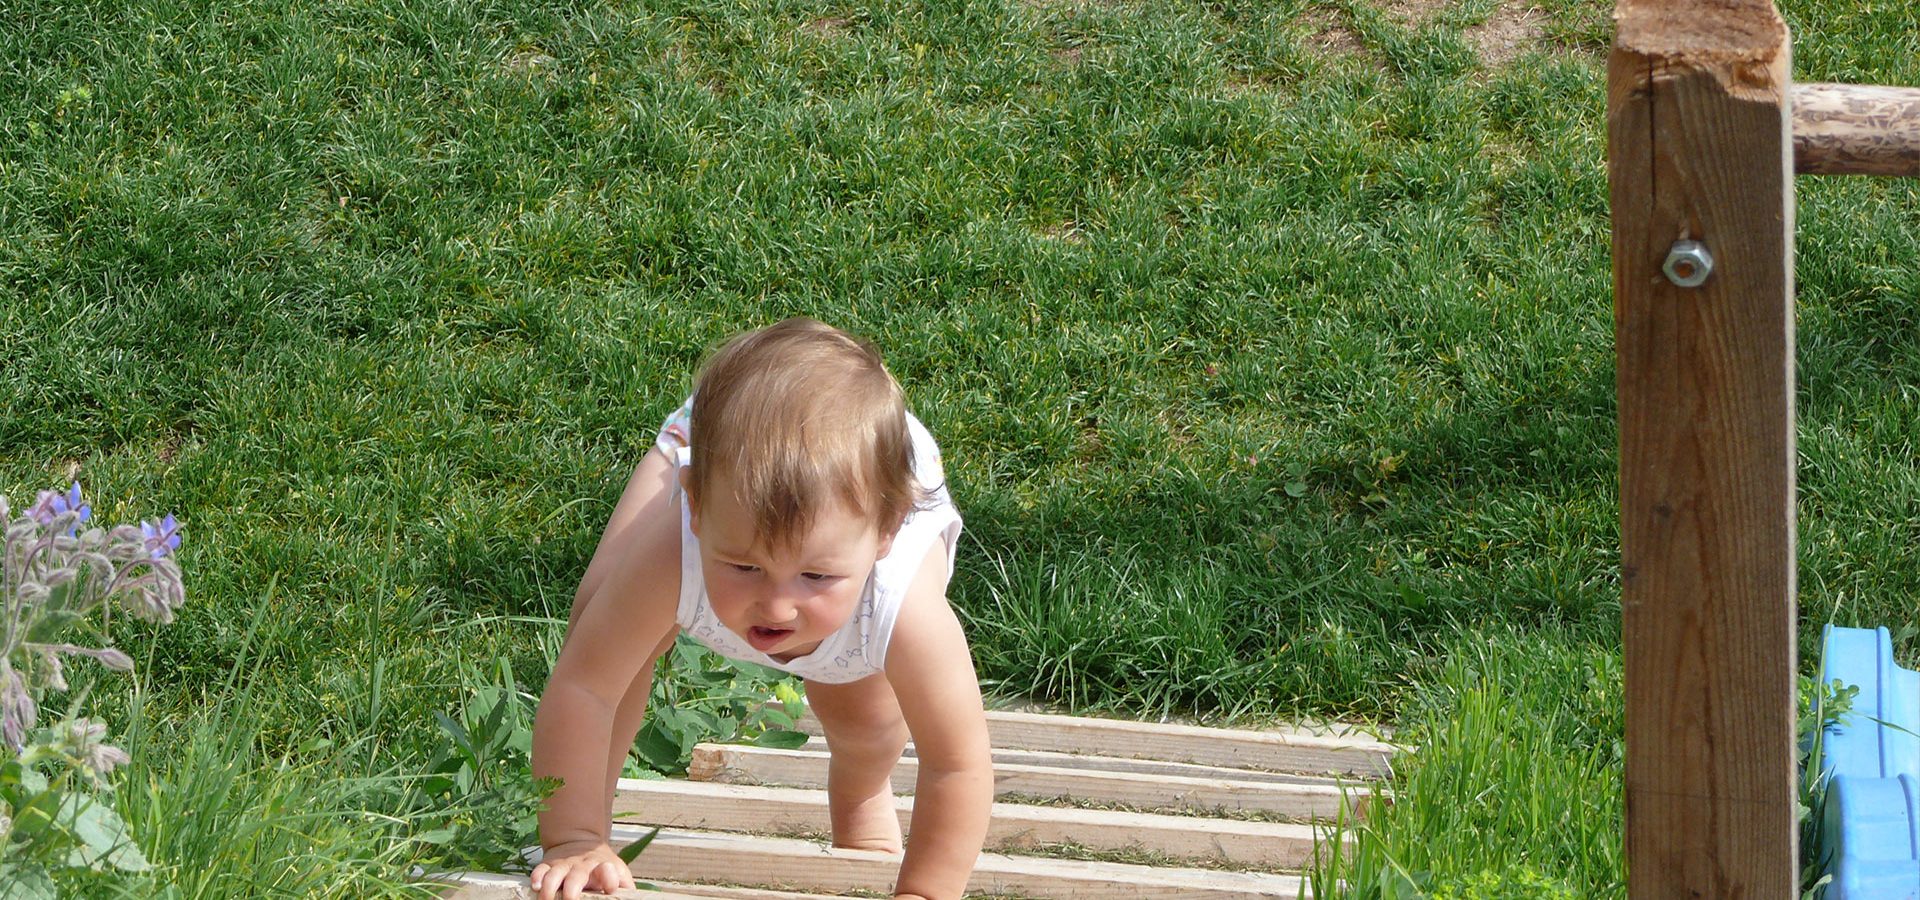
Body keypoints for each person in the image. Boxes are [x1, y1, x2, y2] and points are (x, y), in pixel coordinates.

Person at [529, 318, 992, 900]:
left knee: (865, 713)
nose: (776, 604)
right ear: (694, 507)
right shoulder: (682, 539)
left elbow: (958, 763)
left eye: (815, 577)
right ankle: (588, 824)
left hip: (878, 481)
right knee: (601, 626)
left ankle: (863, 797)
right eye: (744, 567)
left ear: (884, 536)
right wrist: (571, 838)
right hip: (724, 443)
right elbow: (585, 690)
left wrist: (926, 892)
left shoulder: (902, 601)